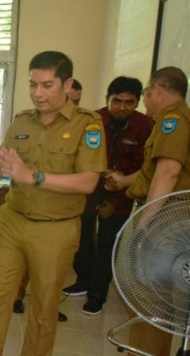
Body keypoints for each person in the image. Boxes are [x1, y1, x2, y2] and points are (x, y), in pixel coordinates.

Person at [0, 51, 105, 356]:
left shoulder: (87, 125)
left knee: (42, 305)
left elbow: (88, 182)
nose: (37, 93)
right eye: (32, 84)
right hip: (11, 221)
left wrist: (33, 176)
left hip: (55, 229)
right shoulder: (21, 121)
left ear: (67, 85)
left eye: (47, 85)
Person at [99, 66, 190, 356]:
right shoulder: (172, 121)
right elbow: (157, 169)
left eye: (145, 95)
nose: (143, 104)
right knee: (139, 298)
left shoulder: (173, 122)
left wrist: (143, 228)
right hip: (164, 217)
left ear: (156, 90)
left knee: (152, 303)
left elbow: (168, 173)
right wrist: (124, 181)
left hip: (166, 226)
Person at [62, 76, 150, 315]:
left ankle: (97, 293)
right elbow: (82, 156)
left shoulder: (144, 125)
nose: (122, 107)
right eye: (117, 101)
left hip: (122, 193)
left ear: (137, 102)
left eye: (129, 102)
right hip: (90, 188)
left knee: (108, 245)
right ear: (107, 100)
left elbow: (143, 169)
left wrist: (115, 201)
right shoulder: (93, 119)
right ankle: (83, 281)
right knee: (82, 239)